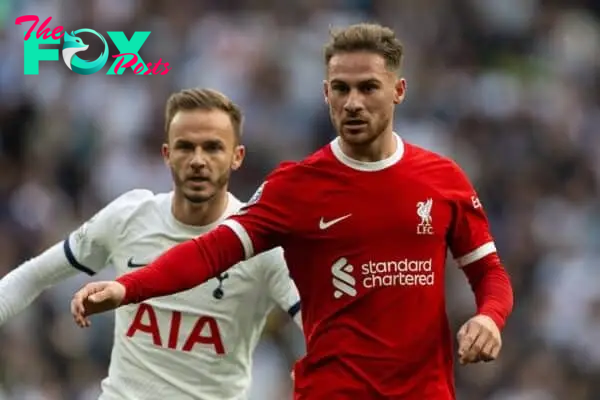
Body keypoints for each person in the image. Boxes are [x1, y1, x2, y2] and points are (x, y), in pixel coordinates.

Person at [72, 24, 514, 399]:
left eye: (368, 87)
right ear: (325, 93)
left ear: (398, 91)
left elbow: (489, 272)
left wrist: (489, 317)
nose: (353, 102)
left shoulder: (442, 178)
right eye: (341, 89)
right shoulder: (296, 186)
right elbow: (209, 252)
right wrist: (128, 289)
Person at [0, 88, 302, 400]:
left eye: (213, 148)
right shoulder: (130, 217)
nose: (198, 161)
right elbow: (32, 276)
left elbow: (329, 332)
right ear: (167, 153)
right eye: (185, 147)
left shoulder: (263, 246)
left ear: (236, 156)